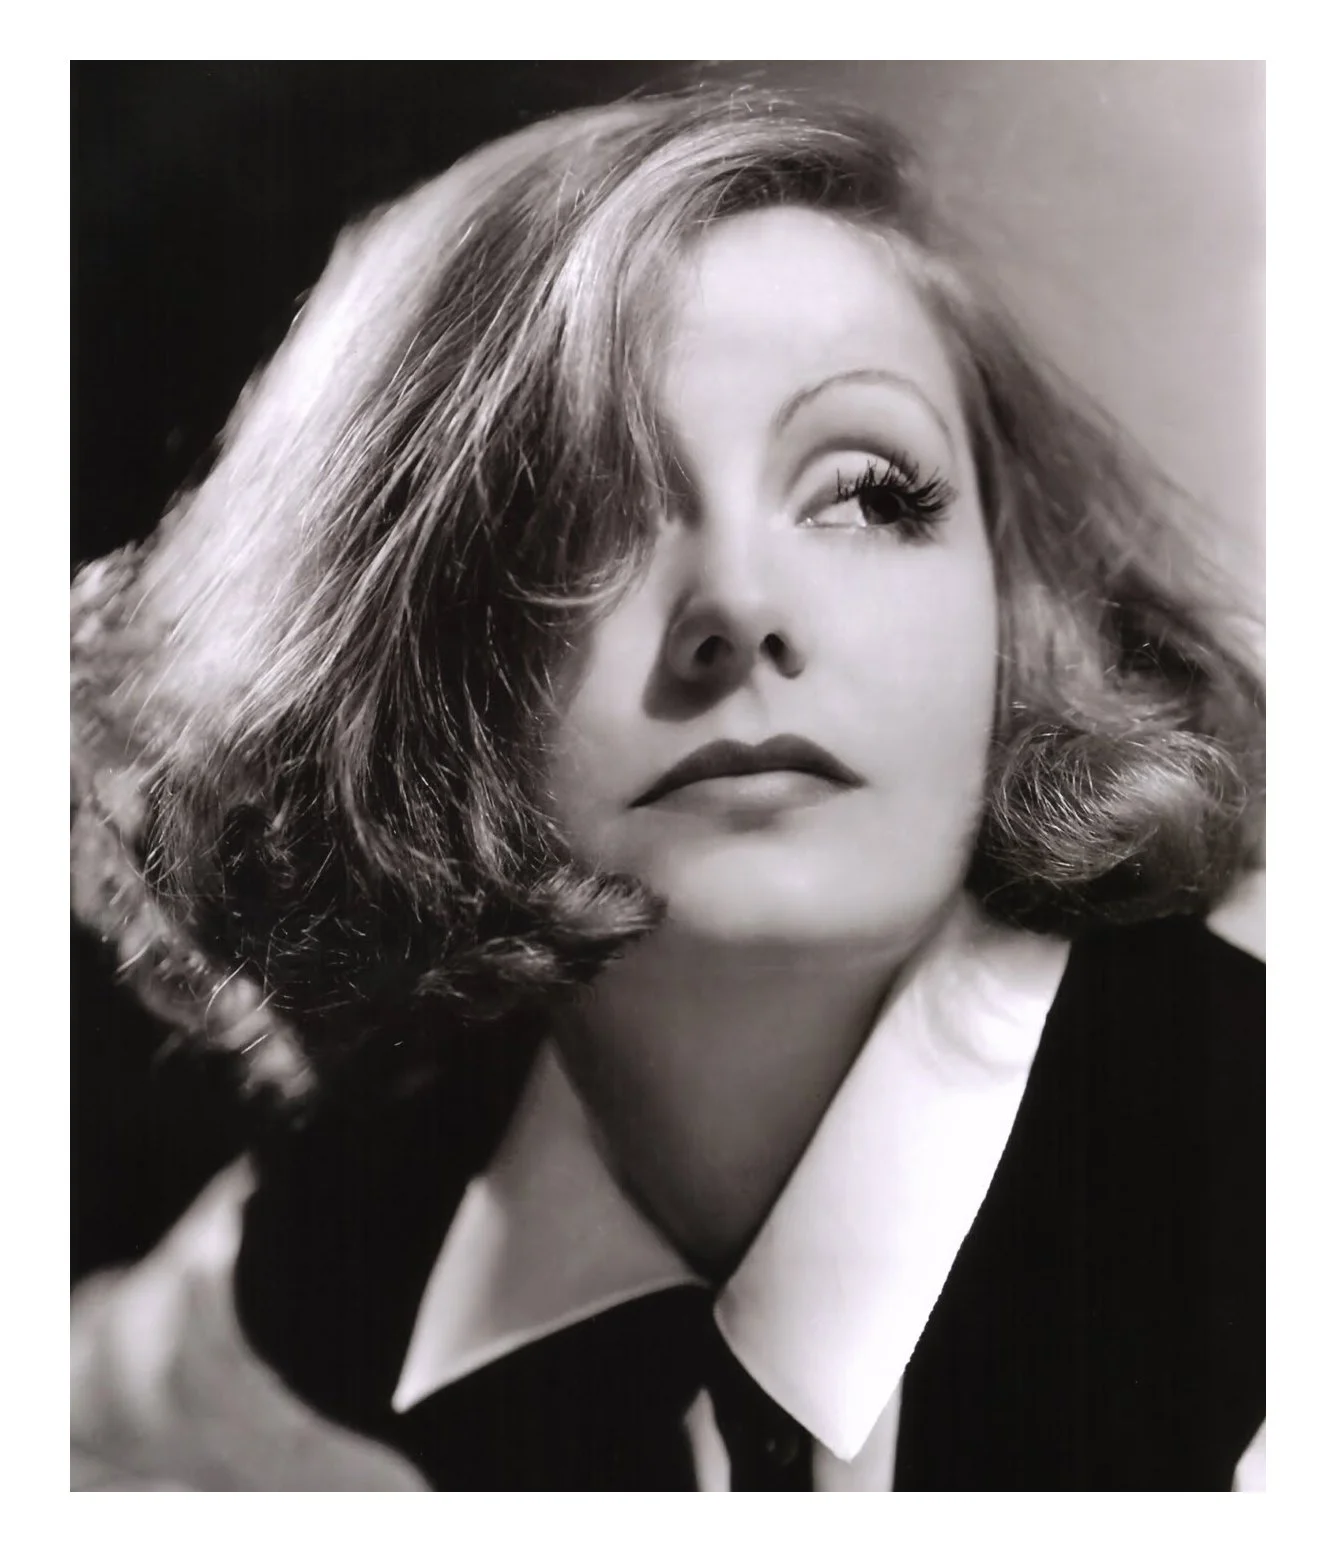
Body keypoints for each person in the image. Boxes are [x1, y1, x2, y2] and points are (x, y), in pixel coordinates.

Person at [70, 85, 1265, 1491]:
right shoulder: (356, 1232)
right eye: (581, 514)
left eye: (871, 491)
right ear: (401, 663)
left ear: (1019, 607)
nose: (742, 608)